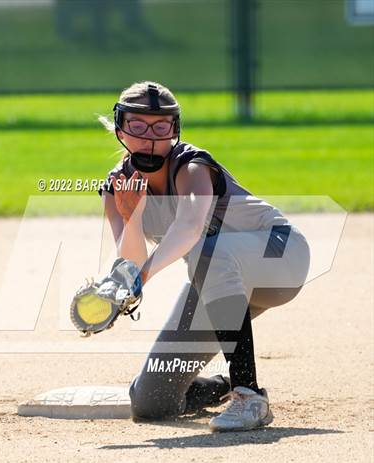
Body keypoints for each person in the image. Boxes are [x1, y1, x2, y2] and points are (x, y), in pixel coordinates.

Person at [97, 81, 310, 432]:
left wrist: (141, 278)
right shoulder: (118, 186)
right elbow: (130, 260)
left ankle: (249, 395)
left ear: (175, 129)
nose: (149, 138)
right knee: (151, 401)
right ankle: (220, 388)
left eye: (160, 126)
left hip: (280, 256)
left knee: (206, 251)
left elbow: (190, 227)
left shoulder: (191, 166)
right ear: (120, 128)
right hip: (219, 281)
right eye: (137, 125)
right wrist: (132, 218)